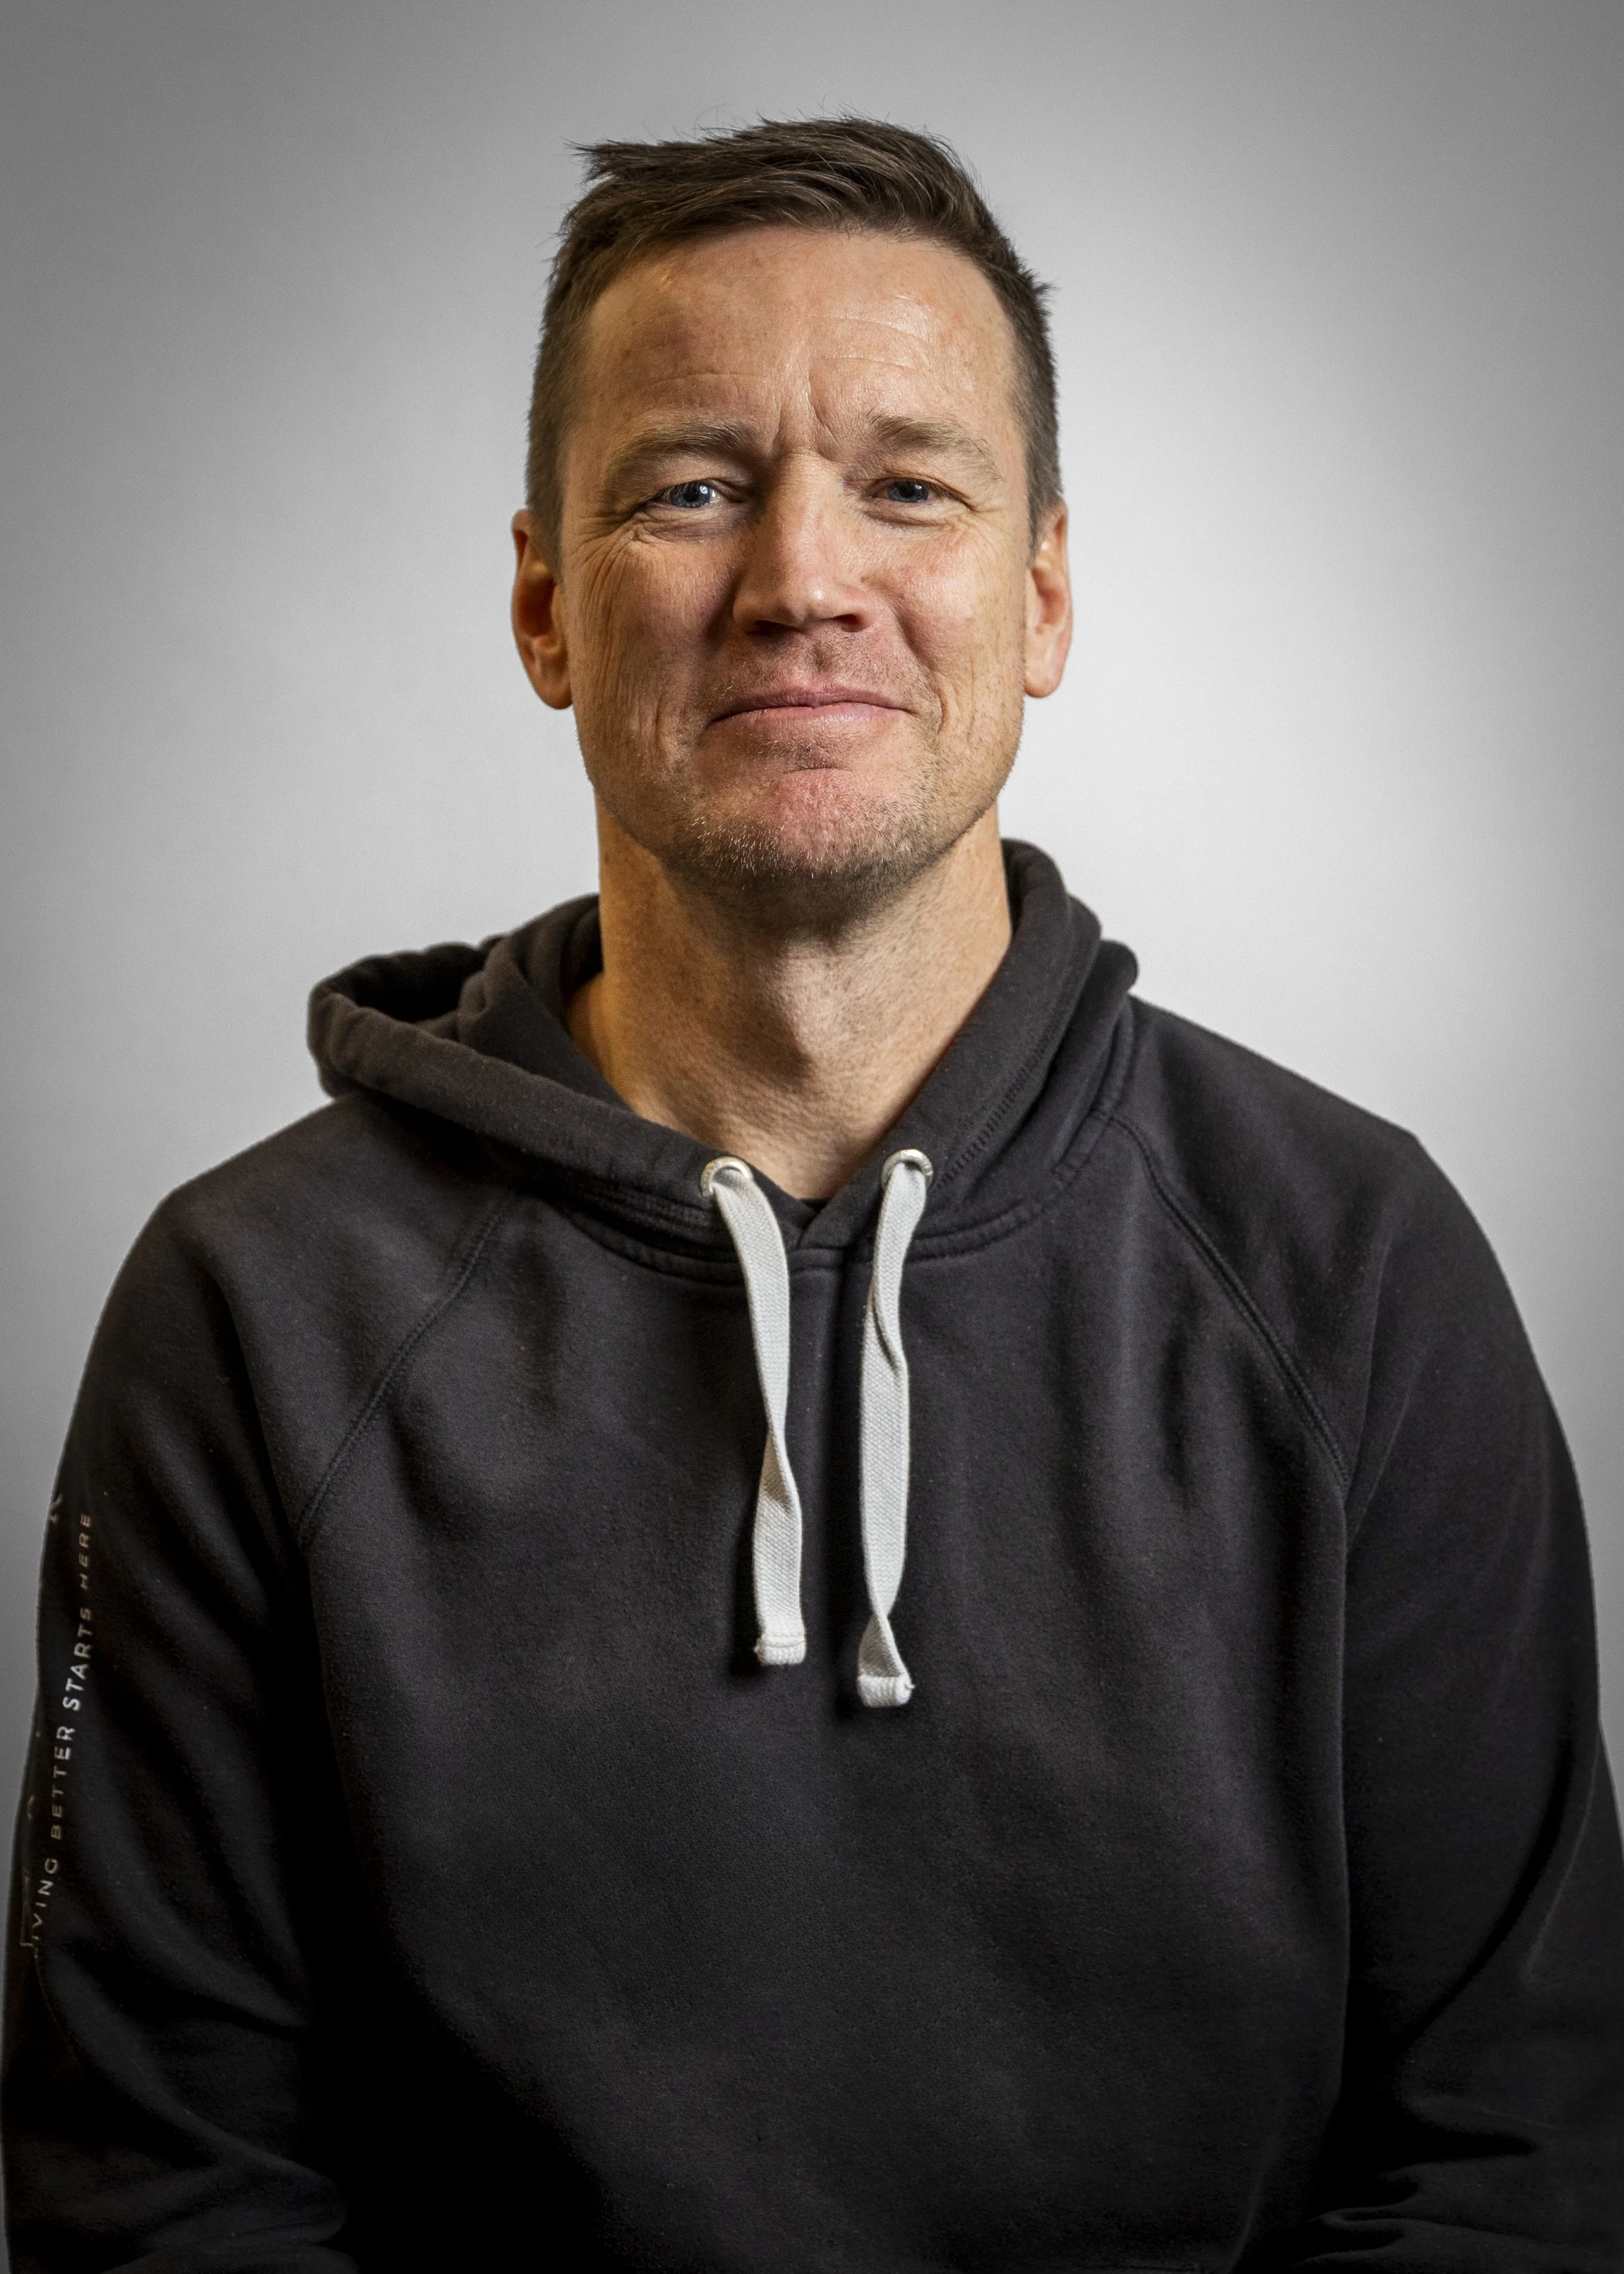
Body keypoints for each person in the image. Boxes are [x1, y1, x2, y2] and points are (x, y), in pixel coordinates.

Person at [4, 116, 1621, 2273]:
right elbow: (159, 2186)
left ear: (1038, 594)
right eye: (691, 485)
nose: (801, 578)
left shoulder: (1352, 1269)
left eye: (908, 484)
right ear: (543, 604)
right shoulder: (253, 1307)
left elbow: (1517, 2161)